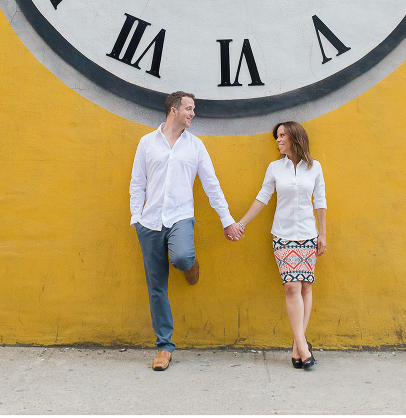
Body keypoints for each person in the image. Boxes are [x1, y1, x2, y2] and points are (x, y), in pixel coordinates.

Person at [130, 91, 243, 371]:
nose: (193, 113)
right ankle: (164, 348)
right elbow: (137, 183)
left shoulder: (196, 146)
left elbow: (211, 185)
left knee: (180, 257)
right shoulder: (147, 143)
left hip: (180, 217)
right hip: (150, 222)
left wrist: (227, 220)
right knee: (156, 287)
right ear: (174, 110)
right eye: (189, 109)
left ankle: (190, 265)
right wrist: (136, 218)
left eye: (193, 109)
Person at [236, 121, 327, 369]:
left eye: (282, 135)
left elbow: (320, 201)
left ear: (295, 137)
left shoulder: (314, 167)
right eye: (277, 136)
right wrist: (241, 223)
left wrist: (323, 234)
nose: (278, 140)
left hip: (308, 234)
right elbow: (262, 198)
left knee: (305, 287)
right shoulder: (275, 168)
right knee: (291, 287)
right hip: (283, 236)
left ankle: (297, 349)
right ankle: (303, 345)